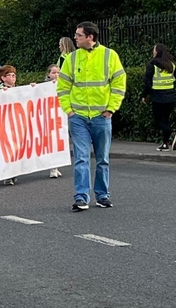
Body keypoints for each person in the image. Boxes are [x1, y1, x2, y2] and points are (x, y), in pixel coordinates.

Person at [58, 21, 126, 212]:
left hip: (101, 116)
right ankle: (81, 197)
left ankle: (102, 195)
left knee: (102, 158)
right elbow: (63, 87)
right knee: (81, 157)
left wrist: (111, 109)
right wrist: (69, 110)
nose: (75, 38)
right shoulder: (71, 58)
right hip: (78, 117)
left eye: (79, 35)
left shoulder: (109, 55)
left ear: (90, 37)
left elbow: (119, 84)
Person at [141, 43, 176, 151]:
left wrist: (144, 95)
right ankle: (165, 144)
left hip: (158, 98)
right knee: (165, 120)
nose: (153, 52)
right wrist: (174, 78)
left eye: (154, 50)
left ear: (157, 51)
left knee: (158, 121)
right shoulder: (171, 64)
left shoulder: (152, 64)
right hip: (170, 98)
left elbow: (147, 82)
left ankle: (172, 134)